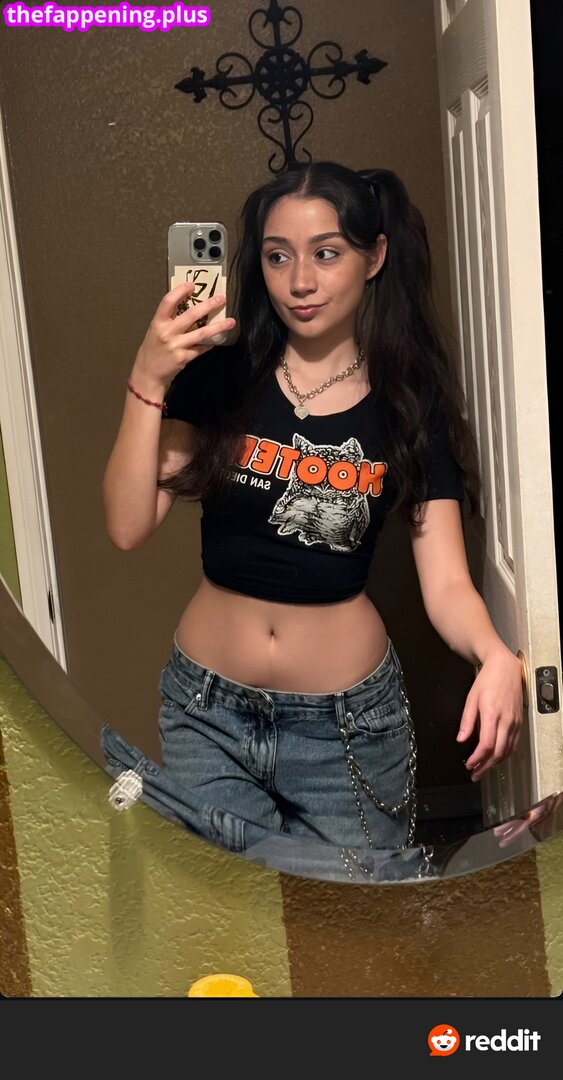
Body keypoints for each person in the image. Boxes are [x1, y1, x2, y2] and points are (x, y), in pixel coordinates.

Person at [102, 161, 523, 852]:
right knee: (229, 908)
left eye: (326, 254)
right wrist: (147, 378)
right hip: (207, 713)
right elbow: (126, 526)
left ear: (374, 256)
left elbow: (447, 582)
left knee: (350, 914)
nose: (300, 281)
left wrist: (495, 655)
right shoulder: (219, 376)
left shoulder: (408, 404)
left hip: (346, 729)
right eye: (278, 257)